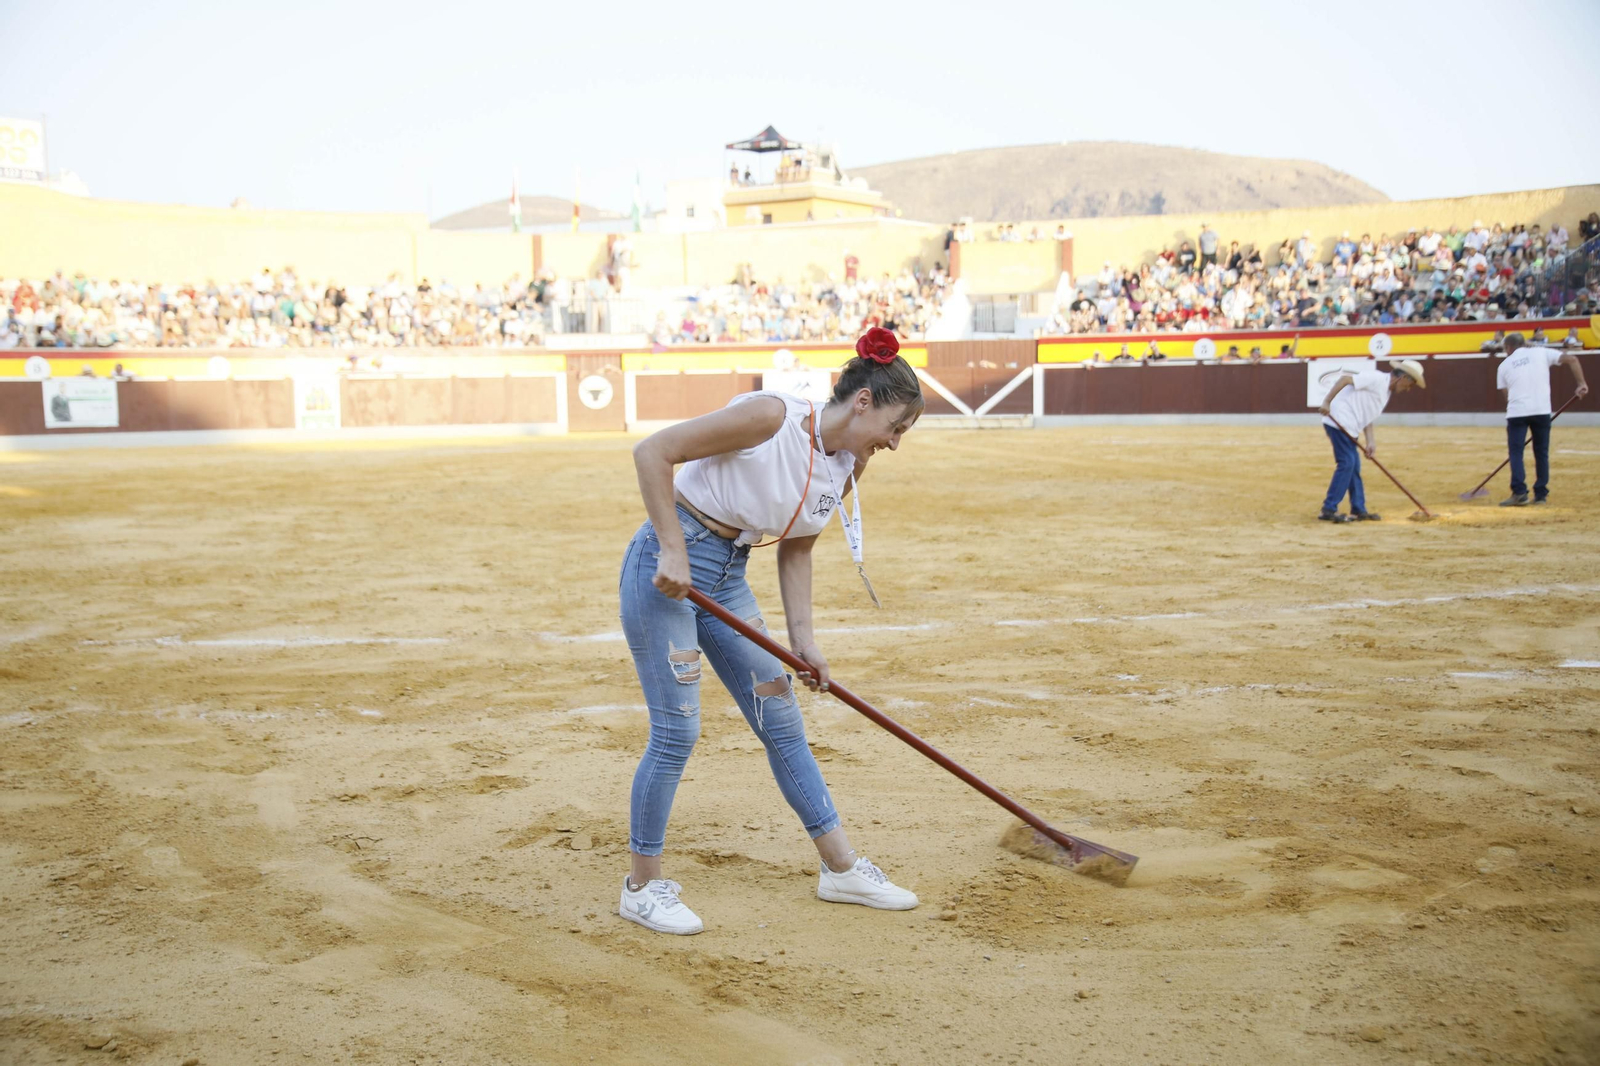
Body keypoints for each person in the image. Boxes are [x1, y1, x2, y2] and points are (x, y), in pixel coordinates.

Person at [617, 327, 925, 935]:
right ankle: (642, 886)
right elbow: (653, 451)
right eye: (896, 427)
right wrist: (674, 552)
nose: (894, 443)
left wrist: (804, 641)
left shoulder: (848, 465)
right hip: (666, 568)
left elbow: (797, 551)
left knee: (780, 715)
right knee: (679, 729)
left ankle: (839, 869)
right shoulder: (771, 416)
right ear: (863, 401)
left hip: (729, 576)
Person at [1316, 359, 1426, 522]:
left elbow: (1367, 415)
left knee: (1353, 467)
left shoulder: (1385, 391)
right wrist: (1327, 401)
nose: (1408, 389)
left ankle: (1359, 509)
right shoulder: (1377, 379)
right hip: (1339, 421)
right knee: (1347, 463)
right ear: (1403, 378)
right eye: (1410, 384)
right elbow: (1345, 379)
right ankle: (1329, 509)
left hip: (1350, 426)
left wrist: (1371, 441)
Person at [1494, 332, 1589, 506]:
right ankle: (1540, 495)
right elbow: (1573, 359)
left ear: (1508, 348)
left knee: (1516, 453)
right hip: (1541, 410)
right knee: (1541, 453)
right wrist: (1581, 384)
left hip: (1517, 412)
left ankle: (1520, 493)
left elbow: (1506, 395)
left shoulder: (1504, 365)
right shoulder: (1541, 352)